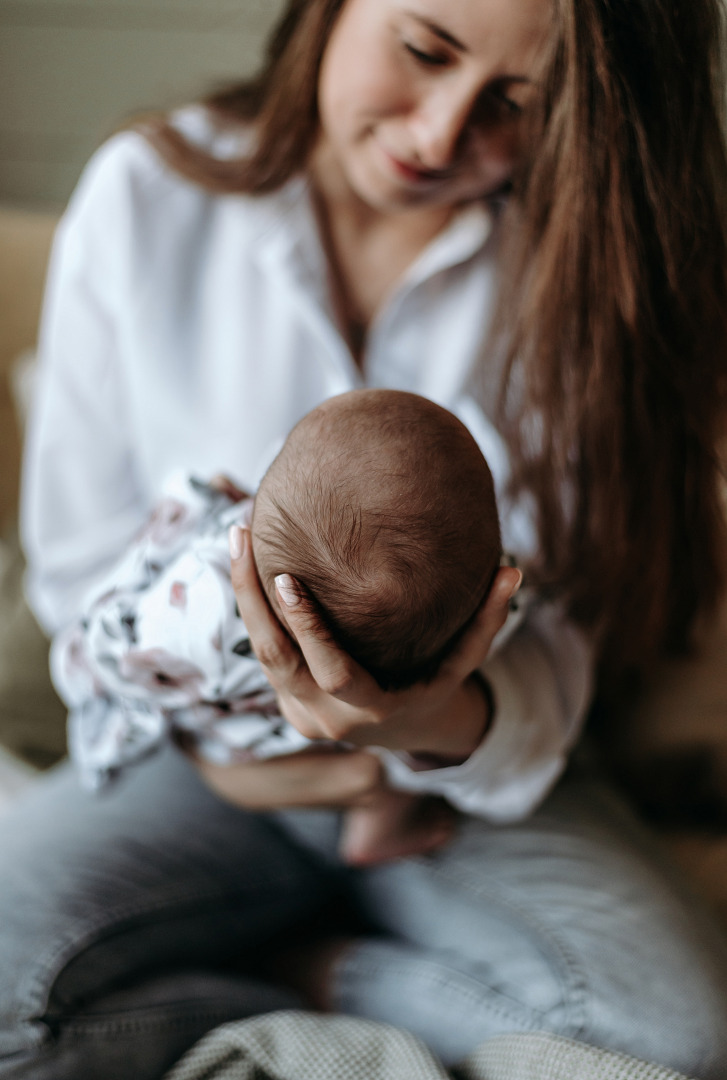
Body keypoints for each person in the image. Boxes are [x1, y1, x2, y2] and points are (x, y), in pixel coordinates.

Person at [2, 0, 727, 1076]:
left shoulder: (584, 273)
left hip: (461, 785)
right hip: (198, 766)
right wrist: (226, 743)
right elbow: (80, 573)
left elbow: (560, 648)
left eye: (516, 107)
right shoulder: (149, 199)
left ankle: (328, 978)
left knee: (670, 1042)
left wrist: (432, 721)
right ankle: (298, 980)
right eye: (422, 51)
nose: (438, 136)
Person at [53, 389, 506, 866]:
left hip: (244, 733)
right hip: (324, 737)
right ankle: (382, 820)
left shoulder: (201, 604)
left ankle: (376, 807)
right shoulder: (481, 599)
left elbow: (111, 652)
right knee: (389, 726)